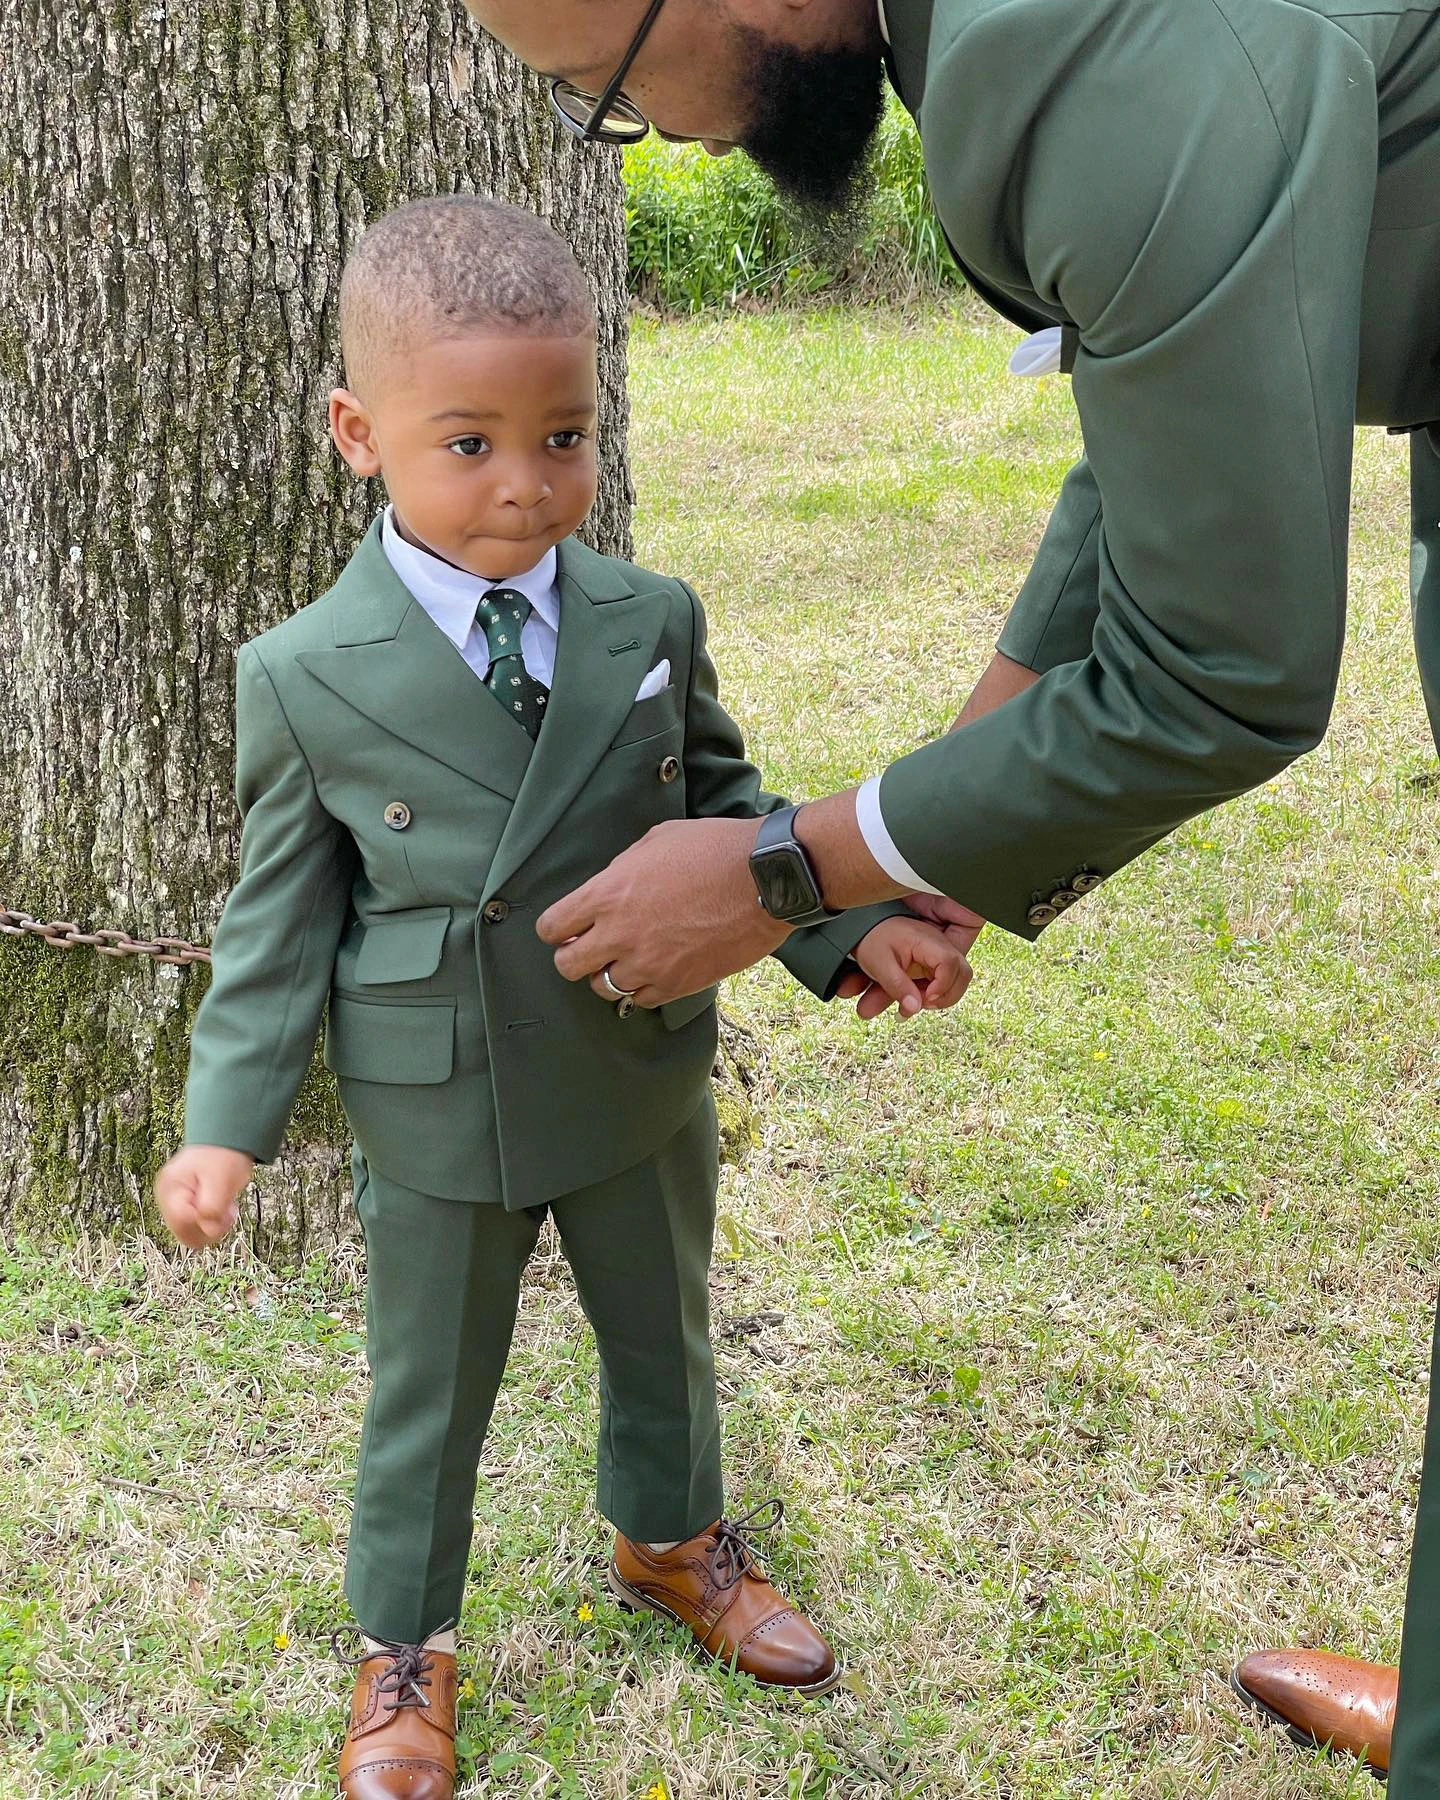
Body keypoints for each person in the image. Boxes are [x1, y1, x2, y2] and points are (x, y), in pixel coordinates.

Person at [466, 0, 1440, 1787]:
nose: (645, 134)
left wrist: (779, 872)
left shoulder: (1096, 48)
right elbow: (1178, 403)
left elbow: (1221, 671)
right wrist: (947, 837)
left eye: (593, 87)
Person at [151, 193, 973, 1800]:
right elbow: (272, 925)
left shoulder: (645, 616)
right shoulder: (304, 674)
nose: (526, 482)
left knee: (661, 1329)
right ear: (357, 433)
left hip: (635, 1057)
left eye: (565, 433)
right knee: (427, 1386)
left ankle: (672, 1541)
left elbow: (727, 813)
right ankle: (406, 1646)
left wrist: (841, 927)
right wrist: (222, 1129)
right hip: (440, 1087)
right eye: (467, 442)